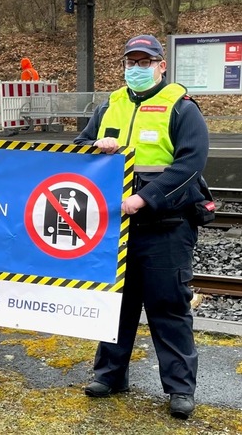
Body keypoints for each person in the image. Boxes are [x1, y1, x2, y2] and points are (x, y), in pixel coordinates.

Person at [74, 34, 209, 420]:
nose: (136, 68)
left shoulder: (181, 108)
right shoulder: (108, 106)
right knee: (116, 304)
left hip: (165, 226)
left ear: (161, 65)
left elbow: (190, 166)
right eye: (131, 61)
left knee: (168, 307)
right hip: (116, 228)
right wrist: (93, 146)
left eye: (144, 61)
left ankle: (180, 389)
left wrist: (145, 199)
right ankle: (110, 375)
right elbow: (77, 151)